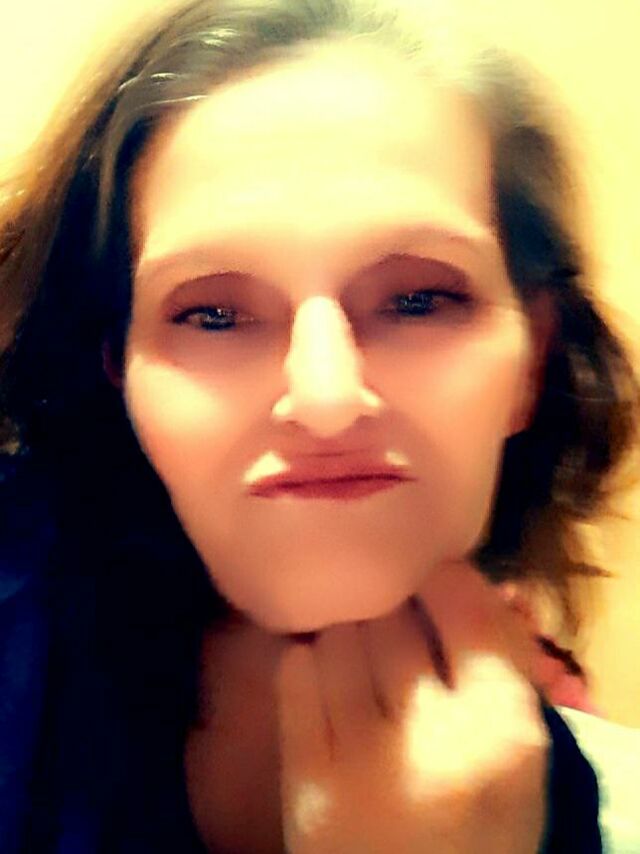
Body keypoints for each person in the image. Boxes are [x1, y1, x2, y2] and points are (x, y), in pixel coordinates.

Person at [0, 0, 638, 850]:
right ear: (118, 371)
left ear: (532, 361)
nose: (326, 399)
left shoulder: (533, 785)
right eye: (213, 315)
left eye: (419, 300)